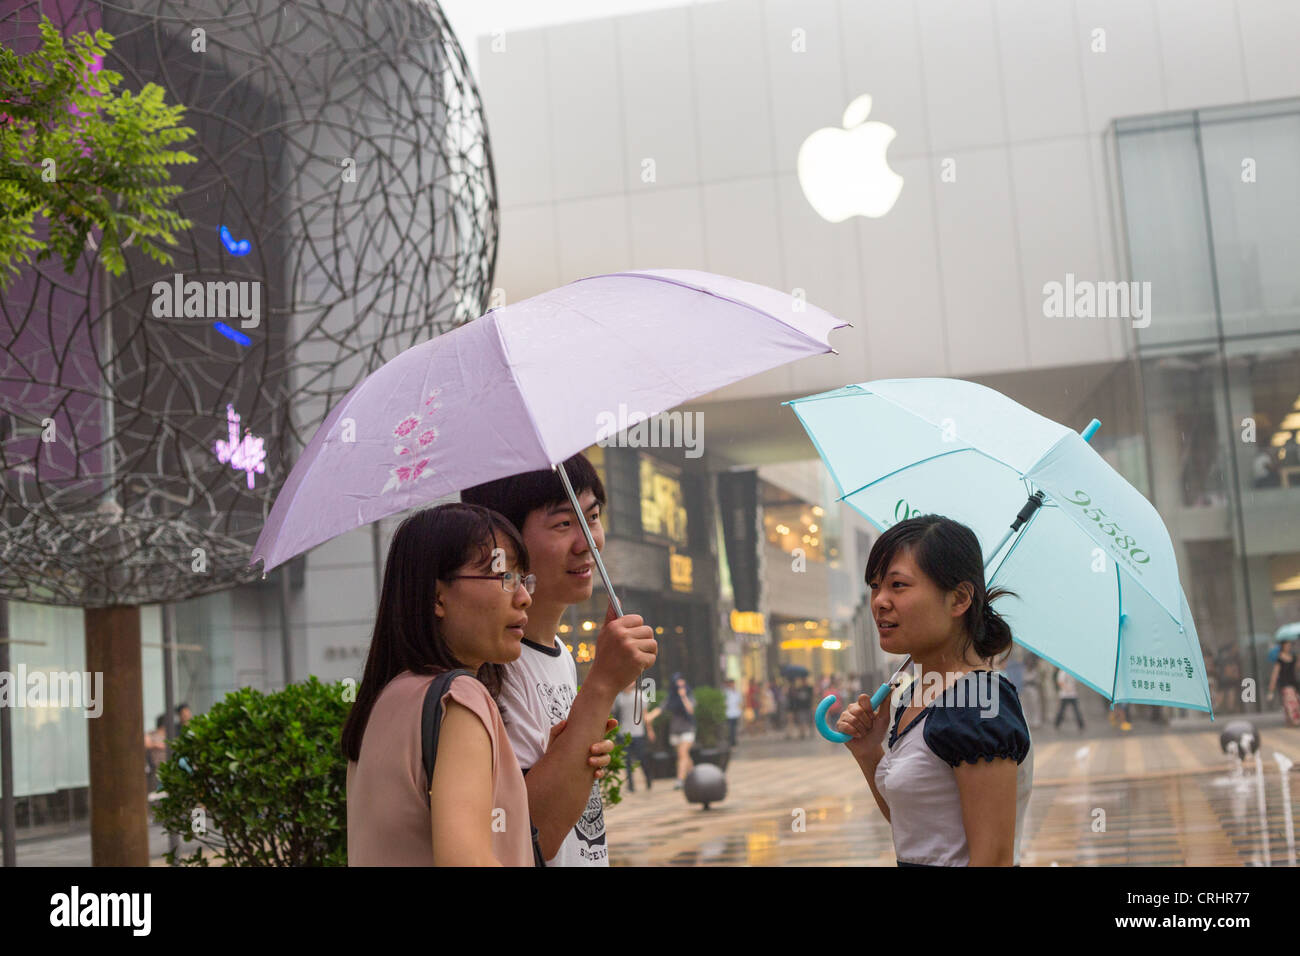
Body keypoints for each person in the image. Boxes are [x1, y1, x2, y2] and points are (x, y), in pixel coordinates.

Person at [343, 504, 614, 865]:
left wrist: (537, 772)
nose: (524, 597)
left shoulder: (384, 701)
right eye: (503, 577)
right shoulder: (460, 698)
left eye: (523, 578)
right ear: (438, 597)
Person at [461, 453, 658, 865]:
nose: (587, 542)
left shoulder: (562, 656)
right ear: (505, 541)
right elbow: (525, 838)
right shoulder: (486, 671)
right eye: (564, 524)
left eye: (593, 517)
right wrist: (603, 682)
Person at [835, 514, 1032, 867]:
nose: (879, 601)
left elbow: (994, 859)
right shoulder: (917, 696)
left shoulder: (979, 704)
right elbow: (918, 826)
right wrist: (868, 752)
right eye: (875, 585)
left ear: (958, 600)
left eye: (898, 585)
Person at [613, 681, 652, 791]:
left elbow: (645, 715)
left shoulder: (640, 695)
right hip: (624, 733)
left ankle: (648, 779)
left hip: (638, 733)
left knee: (642, 758)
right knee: (627, 761)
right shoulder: (618, 698)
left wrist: (649, 730)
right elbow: (615, 715)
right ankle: (631, 785)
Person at [1267, 639, 1299, 727]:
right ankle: (1294, 720)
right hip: (1285, 685)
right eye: (1287, 645)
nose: (1288, 647)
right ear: (1283, 646)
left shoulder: (1293, 657)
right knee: (1291, 702)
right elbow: (1275, 674)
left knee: (1293, 702)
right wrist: (1271, 689)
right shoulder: (1279, 660)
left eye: (1289, 645)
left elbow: (1297, 667)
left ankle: (1290, 722)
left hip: (1294, 684)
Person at [1054, 669, 1085, 733]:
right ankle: (1057, 723)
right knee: (1061, 711)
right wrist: (1067, 688)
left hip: (1073, 694)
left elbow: (1076, 682)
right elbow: (1060, 682)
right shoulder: (1062, 672)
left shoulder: (1073, 673)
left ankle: (1081, 725)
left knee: (1076, 710)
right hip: (1064, 695)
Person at [723, 678, 743, 749]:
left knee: (734, 728)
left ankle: (734, 741)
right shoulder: (725, 692)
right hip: (728, 713)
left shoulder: (736, 692)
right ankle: (731, 741)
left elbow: (740, 701)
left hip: (735, 713)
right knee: (730, 728)